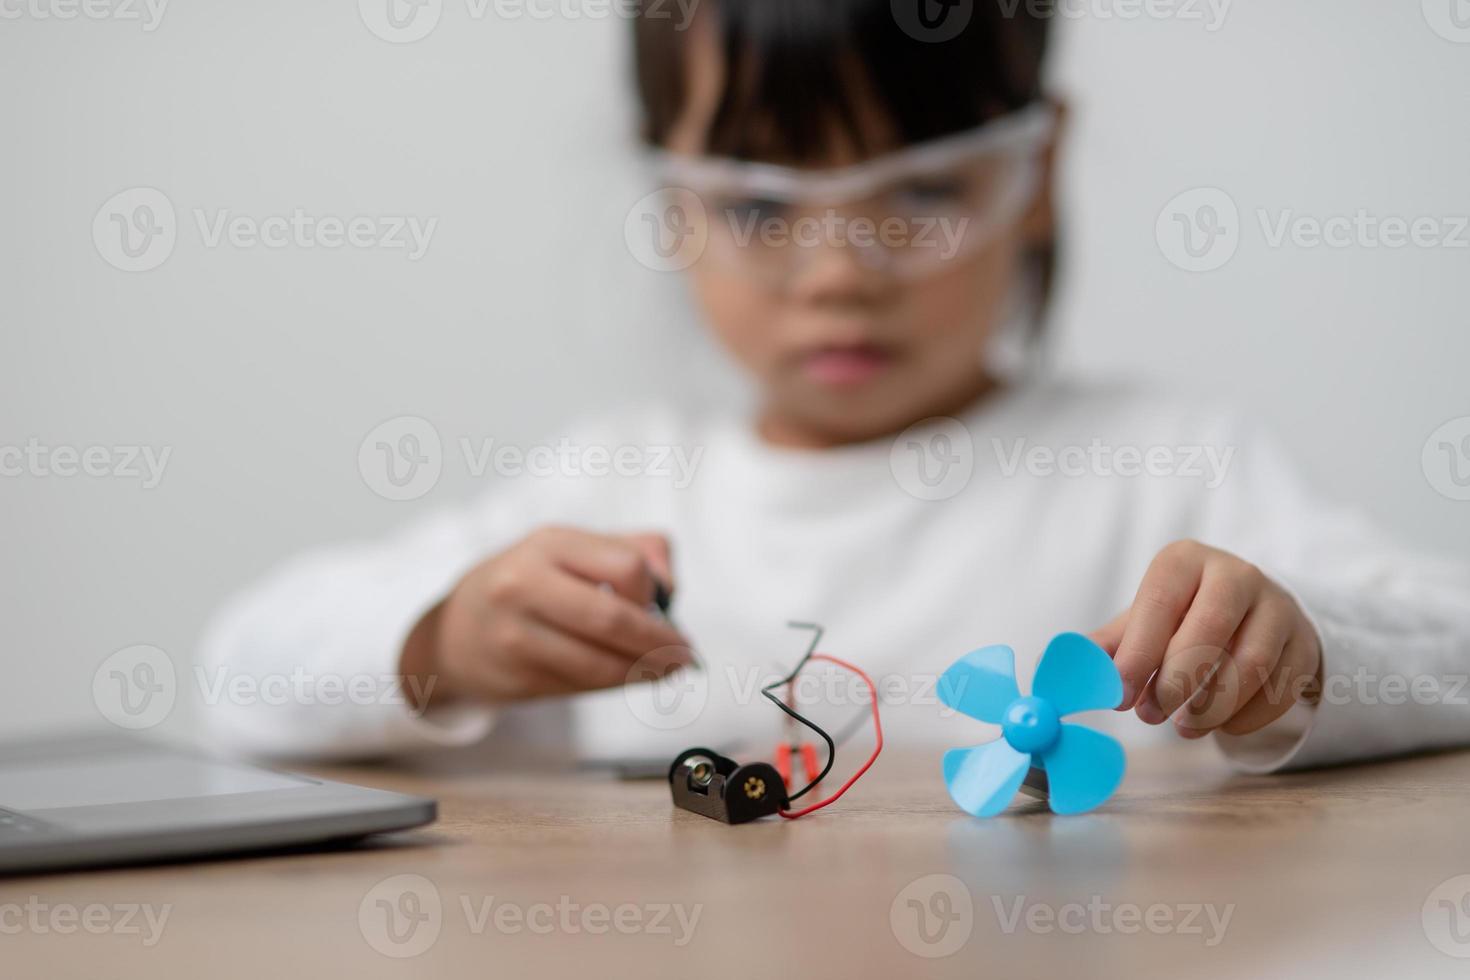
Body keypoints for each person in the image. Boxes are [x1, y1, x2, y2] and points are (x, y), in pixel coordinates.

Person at [199, 0, 1470, 778]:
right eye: (760, 205)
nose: (840, 274)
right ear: (671, 205)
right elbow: (242, 671)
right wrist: (444, 645)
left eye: (923, 190)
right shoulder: (615, 483)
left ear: (1035, 174)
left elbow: (1451, 641)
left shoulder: (1169, 466)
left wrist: (1303, 661)